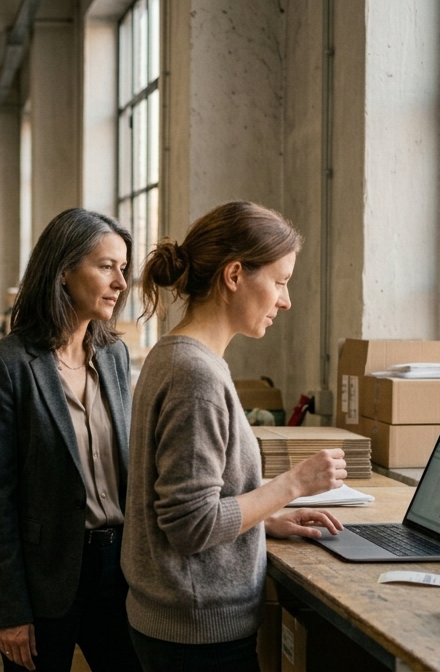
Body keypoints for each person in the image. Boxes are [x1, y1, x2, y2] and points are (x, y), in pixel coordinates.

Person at [124, 201, 346, 671]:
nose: (286, 300)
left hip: (178, 619)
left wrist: (263, 521)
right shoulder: (196, 376)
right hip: (195, 632)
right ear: (234, 275)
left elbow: (189, 503)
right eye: (281, 281)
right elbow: (189, 526)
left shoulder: (173, 356)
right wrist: (294, 485)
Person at [0, 208, 142, 671]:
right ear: (64, 271)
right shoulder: (7, 366)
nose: (120, 282)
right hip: (46, 577)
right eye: (106, 266)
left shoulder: (113, 355)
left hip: (119, 572)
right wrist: (10, 612)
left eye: (123, 268)